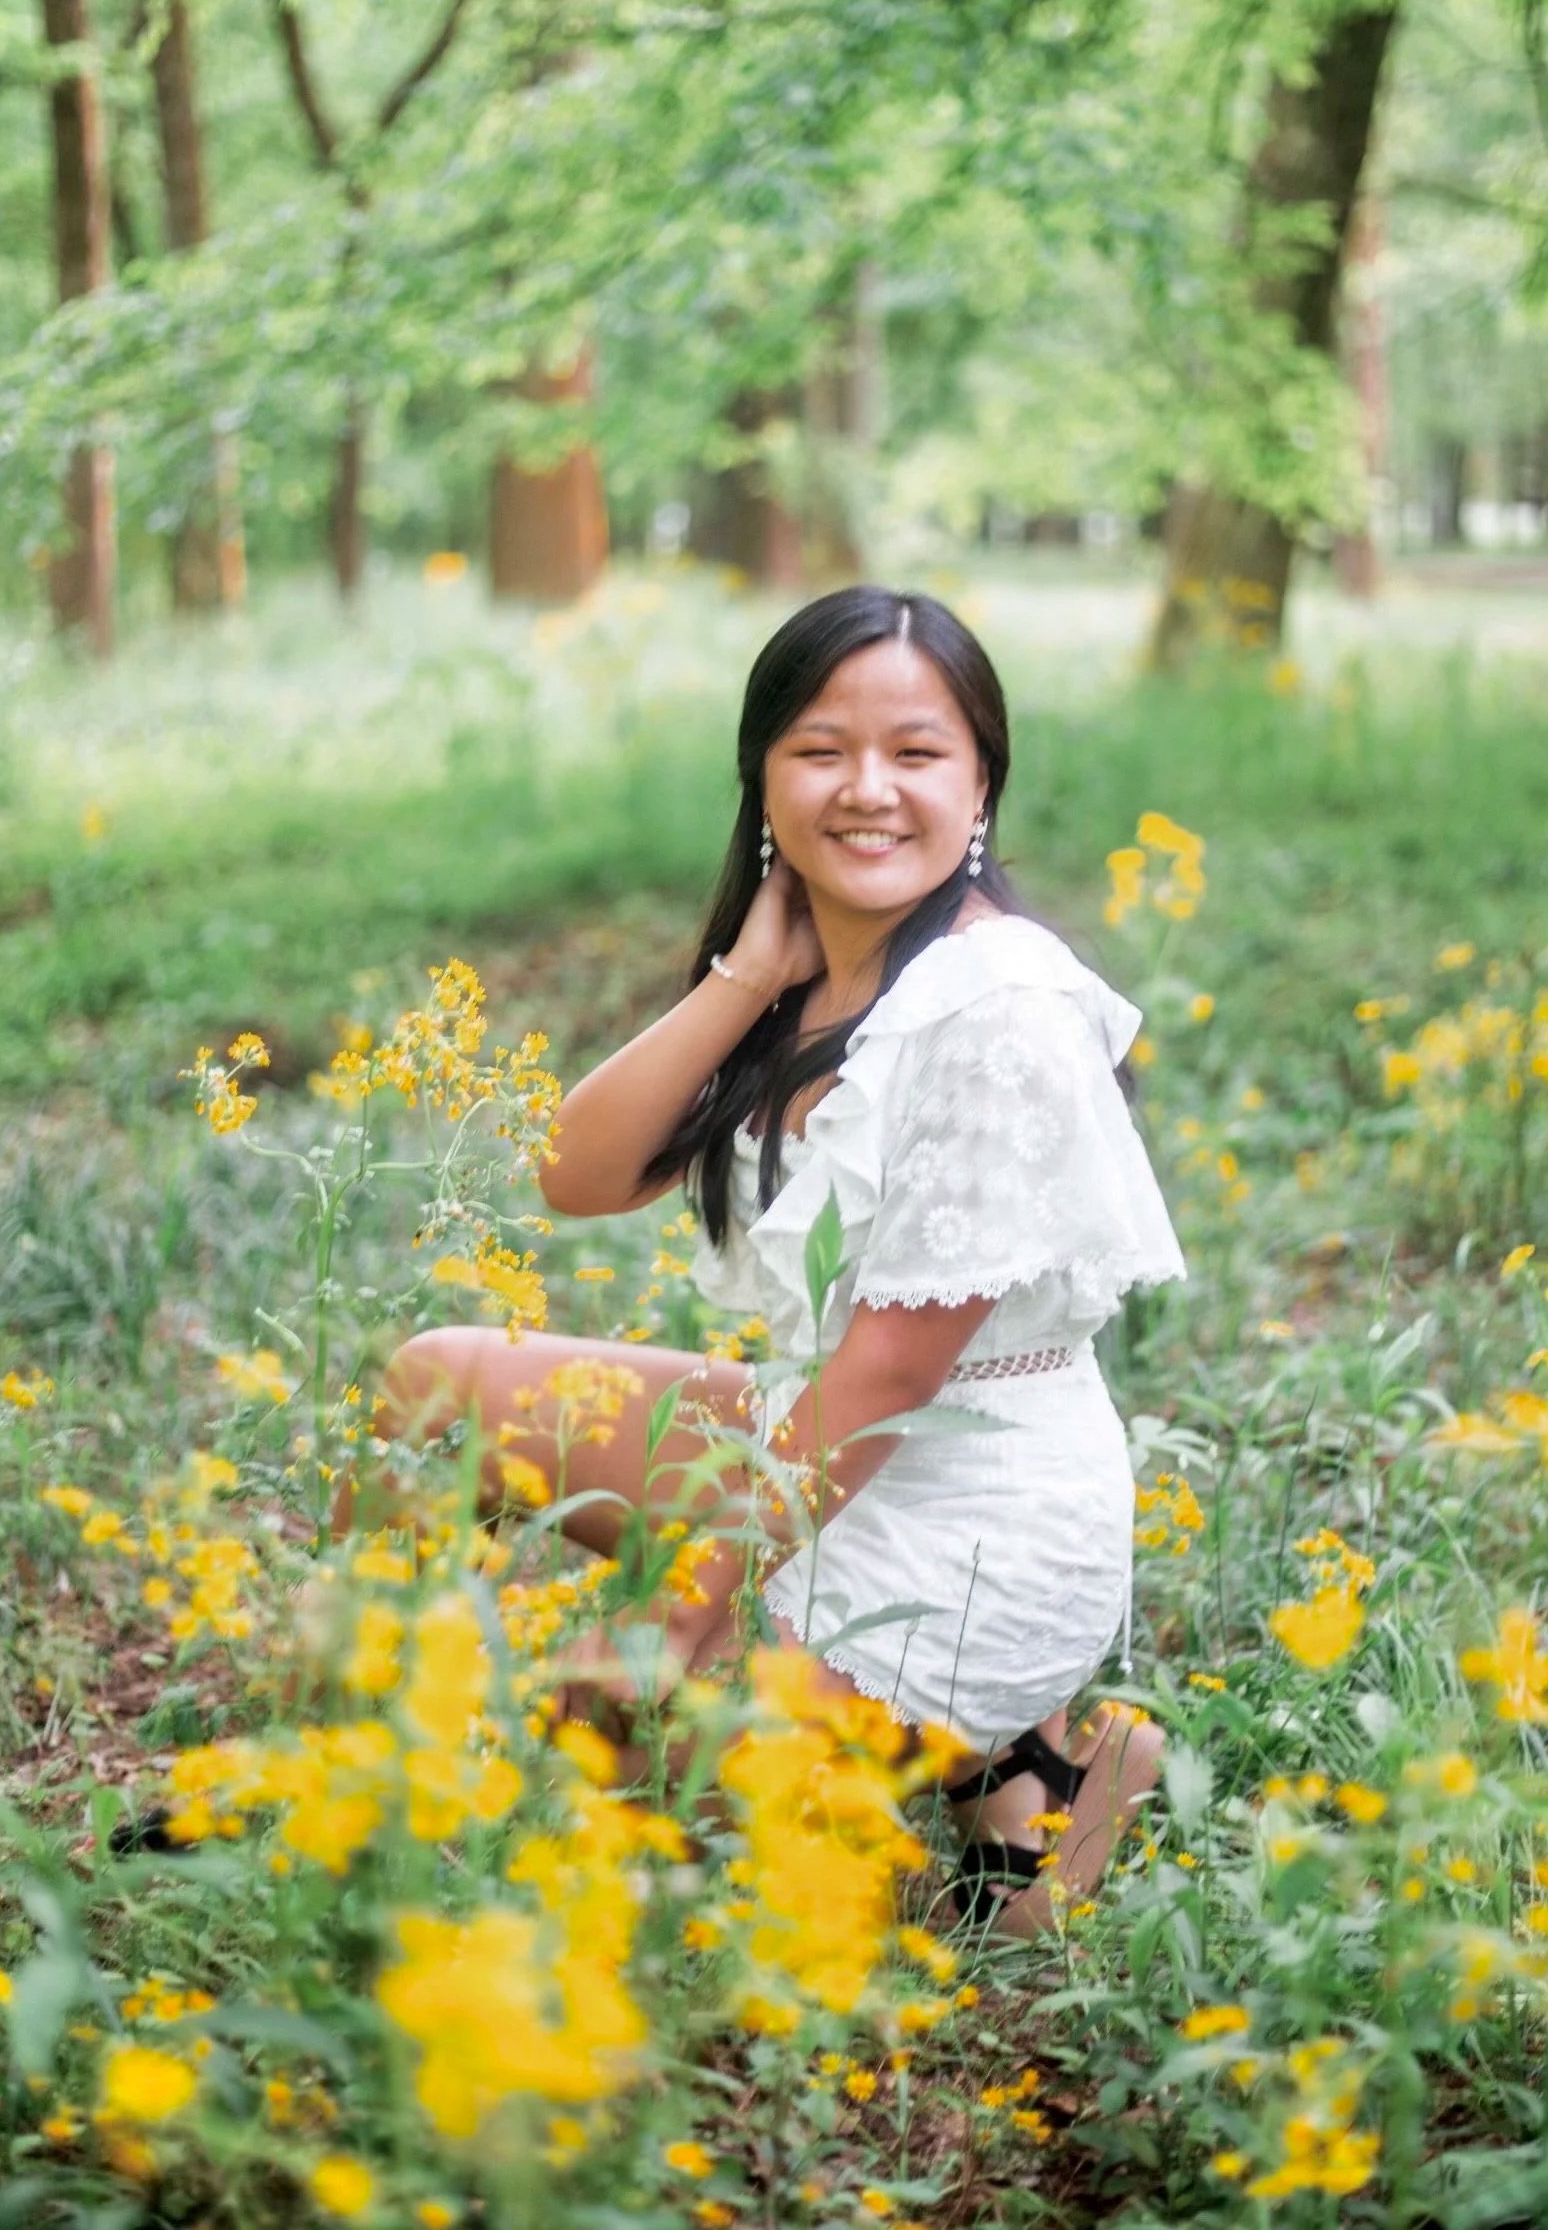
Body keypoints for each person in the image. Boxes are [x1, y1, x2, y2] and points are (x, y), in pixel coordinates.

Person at [372, 584, 1187, 1932]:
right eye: (822, 750)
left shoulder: (1000, 1010)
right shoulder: (816, 966)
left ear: (981, 781)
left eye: (917, 753)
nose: (868, 790)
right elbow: (576, 1175)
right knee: (432, 1388)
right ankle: (339, 1752)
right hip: (818, 1445)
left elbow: (887, 1378)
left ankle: (1044, 1756)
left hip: (976, 1506)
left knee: (628, 1747)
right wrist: (748, 974)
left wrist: (676, 1617)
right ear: (762, 776)